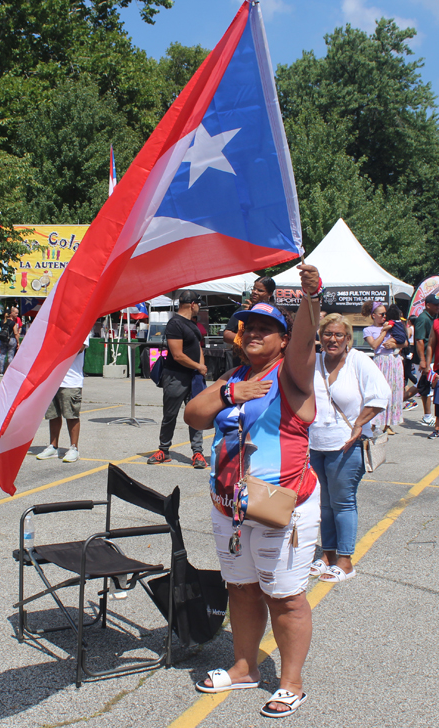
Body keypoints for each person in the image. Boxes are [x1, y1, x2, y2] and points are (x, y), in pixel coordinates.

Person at [184, 266, 321, 719]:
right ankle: (244, 668)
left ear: (282, 340)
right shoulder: (236, 375)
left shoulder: (292, 373)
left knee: (284, 597)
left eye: (268, 328)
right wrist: (230, 393)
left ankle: (291, 683)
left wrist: (310, 300)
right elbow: (193, 416)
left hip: (281, 508)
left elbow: (303, 342)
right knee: (240, 589)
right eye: (250, 327)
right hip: (230, 509)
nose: (257, 332)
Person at [309, 313, 390, 582]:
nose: (333, 339)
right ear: (320, 336)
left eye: (339, 335)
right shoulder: (314, 361)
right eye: (327, 334)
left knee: (342, 503)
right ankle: (327, 554)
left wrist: (359, 425)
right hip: (315, 444)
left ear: (348, 339)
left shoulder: (358, 361)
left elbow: (381, 394)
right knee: (323, 504)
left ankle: (345, 561)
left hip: (346, 445)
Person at [148, 291, 208, 468]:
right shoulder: (174, 324)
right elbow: (178, 355)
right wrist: (198, 366)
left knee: (196, 415)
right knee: (170, 415)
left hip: (194, 377)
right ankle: (163, 450)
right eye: (199, 304)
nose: (199, 307)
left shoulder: (192, 324)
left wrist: (201, 369)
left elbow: (198, 347)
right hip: (176, 377)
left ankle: (198, 453)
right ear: (192, 304)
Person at [36, 337, 89, 463]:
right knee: (53, 414)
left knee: (71, 415)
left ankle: (74, 448)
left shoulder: (83, 326)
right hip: (52, 378)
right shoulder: (57, 326)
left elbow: (79, 349)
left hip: (70, 381)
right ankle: (53, 446)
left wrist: (57, 346)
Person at [362, 301, 404, 434]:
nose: (384, 316)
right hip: (380, 361)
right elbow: (374, 345)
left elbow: (405, 342)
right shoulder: (368, 330)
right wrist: (383, 332)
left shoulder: (392, 325)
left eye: (386, 314)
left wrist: (394, 344)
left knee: (393, 391)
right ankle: (375, 422)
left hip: (393, 360)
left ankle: (388, 423)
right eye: (382, 314)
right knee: (378, 391)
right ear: (373, 315)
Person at [404, 294, 439, 425]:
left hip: (430, 358)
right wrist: (423, 360)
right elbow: (419, 341)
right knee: (425, 388)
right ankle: (427, 416)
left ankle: (394, 403)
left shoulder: (434, 317)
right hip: (423, 359)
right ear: (428, 305)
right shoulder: (423, 319)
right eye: (435, 304)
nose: (438, 307)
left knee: (421, 386)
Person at [223, 277, 276, 356]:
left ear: (270, 294)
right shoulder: (243, 309)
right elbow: (226, 334)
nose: (254, 292)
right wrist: (244, 341)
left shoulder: (275, 312)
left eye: (260, 290)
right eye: (254, 289)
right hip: (242, 359)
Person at [425, 317, 439, 439]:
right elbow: (430, 345)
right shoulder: (436, 323)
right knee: (438, 399)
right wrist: (428, 365)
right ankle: (437, 429)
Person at [0, 308, 20, 376]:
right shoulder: (13, 323)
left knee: (2, 355)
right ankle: (9, 372)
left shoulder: (2, 322)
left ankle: (1, 371)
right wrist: (18, 342)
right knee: (10, 356)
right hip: (11, 340)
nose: (17, 315)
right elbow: (16, 333)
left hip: (3, 340)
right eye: (16, 313)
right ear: (11, 313)